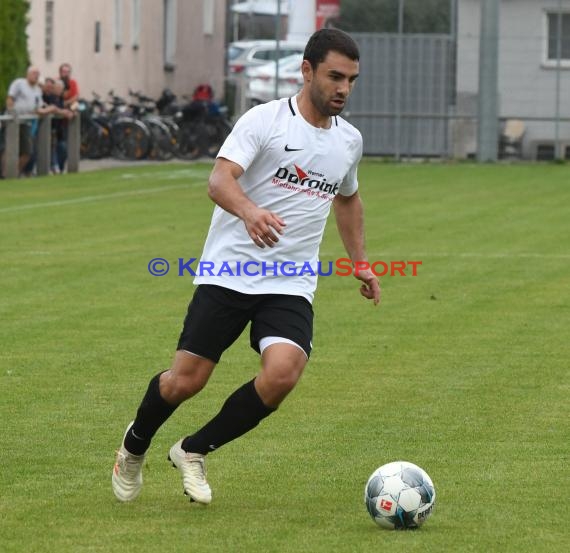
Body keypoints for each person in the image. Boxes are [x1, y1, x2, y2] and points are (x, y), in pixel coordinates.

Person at [112, 28, 381, 505]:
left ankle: (192, 451)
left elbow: (349, 198)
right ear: (307, 70)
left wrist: (361, 263)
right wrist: (251, 211)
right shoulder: (266, 121)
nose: (343, 88)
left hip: (291, 282)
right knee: (186, 381)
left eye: (352, 80)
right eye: (335, 76)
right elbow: (220, 180)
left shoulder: (349, 141)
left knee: (283, 373)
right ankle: (133, 447)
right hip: (229, 271)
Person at [2, 66, 56, 177]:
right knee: (8, 148)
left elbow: (38, 108)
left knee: (27, 151)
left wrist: (50, 109)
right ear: (28, 74)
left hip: (26, 122)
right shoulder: (19, 83)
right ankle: (4, 174)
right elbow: (10, 98)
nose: (36, 75)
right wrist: (12, 114)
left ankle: (14, 173)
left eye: (38, 73)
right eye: (34, 73)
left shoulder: (37, 90)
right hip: (13, 121)